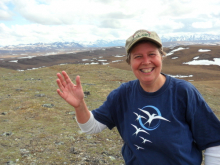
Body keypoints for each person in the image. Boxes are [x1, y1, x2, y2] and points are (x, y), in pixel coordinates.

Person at [56, 29, 220, 165]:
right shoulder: (122, 94)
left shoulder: (183, 92)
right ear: (130, 61)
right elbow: (91, 127)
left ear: (161, 56)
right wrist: (80, 106)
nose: (146, 61)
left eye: (152, 54)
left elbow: (214, 142)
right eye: (138, 56)